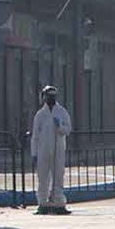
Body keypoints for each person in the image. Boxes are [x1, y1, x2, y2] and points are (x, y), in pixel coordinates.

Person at [31, 85, 74, 214]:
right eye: (48, 96)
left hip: (58, 149)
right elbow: (35, 135)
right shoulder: (40, 114)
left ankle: (59, 203)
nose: (50, 99)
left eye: (52, 97)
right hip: (43, 149)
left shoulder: (62, 112)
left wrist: (59, 127)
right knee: (43, 177)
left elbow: (68, 129)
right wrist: (34, 153)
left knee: (58, 176)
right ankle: (43, 203)